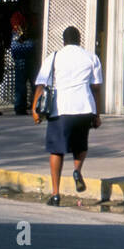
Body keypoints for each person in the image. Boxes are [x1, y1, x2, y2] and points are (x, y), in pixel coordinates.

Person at [32, 25, 103, 206]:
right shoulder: (91, 57)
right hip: (84, 107)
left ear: (64, 40)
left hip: (60, 108)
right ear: (79, 40)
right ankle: (77, 170)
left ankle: (56, 194)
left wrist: (34, 108)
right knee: (81, 145)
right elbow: (96, 88)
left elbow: (41, 84)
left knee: (57, 150)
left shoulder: (54, 56)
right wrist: (97, 114)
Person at [9, 14, 37, 115]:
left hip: (22, 52)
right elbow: (21, 34)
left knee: (23, 81)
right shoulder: (20, 17)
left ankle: (21, 106)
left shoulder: (19, 17)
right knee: (30, 81)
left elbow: (19, 34)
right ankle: (25, 105)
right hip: (25, 52)